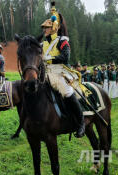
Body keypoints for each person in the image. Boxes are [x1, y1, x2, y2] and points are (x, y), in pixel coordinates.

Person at [41, 2, 85, 138]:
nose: (44, 30)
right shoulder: (42, 44)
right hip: (46, 74)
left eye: (47, 28)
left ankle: (81, 122)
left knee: (66, 92)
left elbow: (66, 56)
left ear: (54, 28)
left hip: (61, 72)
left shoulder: (62, 41)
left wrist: (50, 60)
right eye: (44, 28)